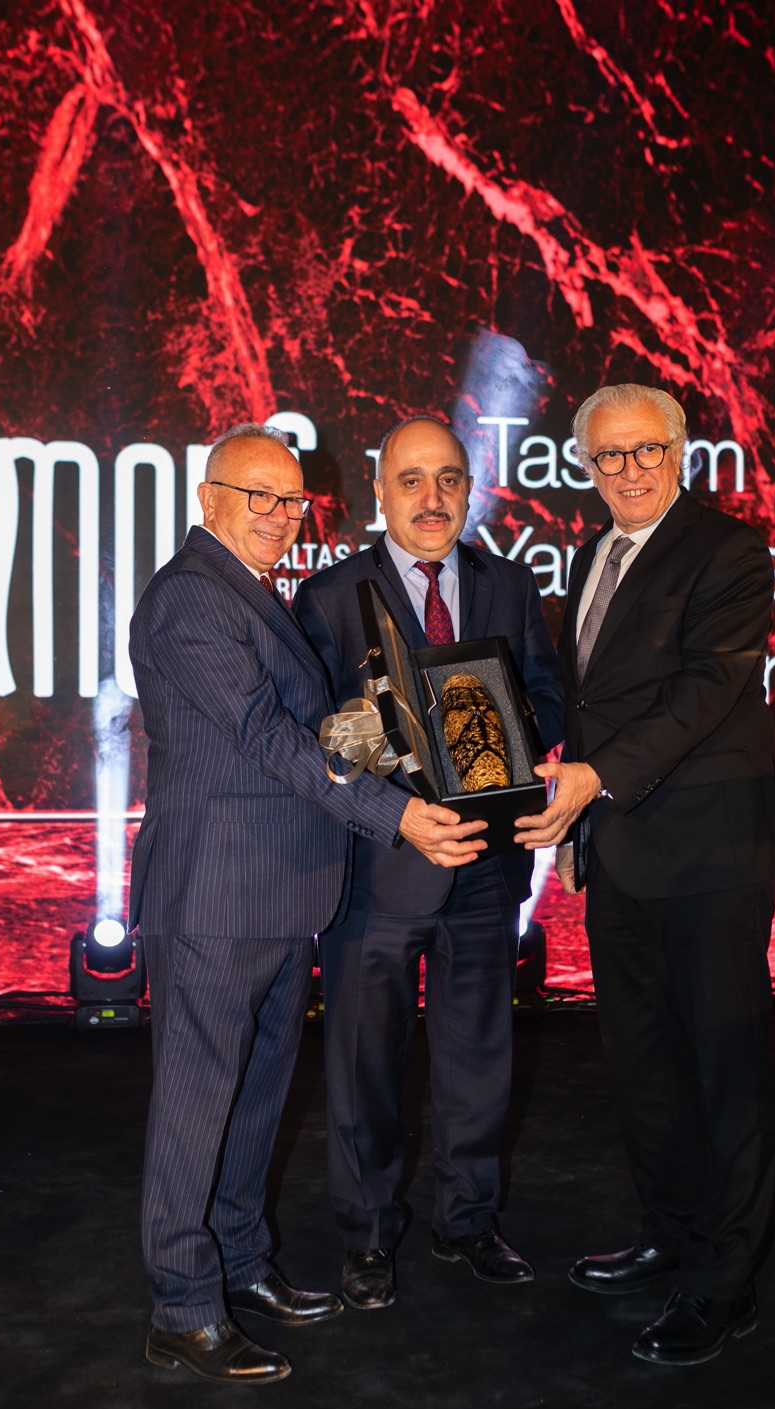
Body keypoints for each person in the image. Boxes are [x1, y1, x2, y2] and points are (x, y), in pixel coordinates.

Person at [128, 423, 485, 1385]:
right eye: (260, 496)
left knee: (255, 1101)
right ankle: (182, 1307)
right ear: (208, 499)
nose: (281, 515)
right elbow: (263, 735)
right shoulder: (190, 596)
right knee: (197, 1107)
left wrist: (388, 733)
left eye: (291, 500)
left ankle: (242, 1264)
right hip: (215, 896)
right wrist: (396, 812)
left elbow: (304, 734)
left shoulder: (252, 592)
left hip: (283, 895)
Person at [515, 383, 775, 1366]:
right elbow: (594, 700)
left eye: (646, 450)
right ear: (585, 466)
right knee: (643, 1062)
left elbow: (708, 689)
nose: (628, 470)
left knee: (722, 1068)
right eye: (609, 455)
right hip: (621, 848)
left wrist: (594, 777)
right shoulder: (591, 553)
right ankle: (670, 1234)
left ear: (679, 452)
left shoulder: (727, 551)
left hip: (709, 853)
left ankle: (724, 1282)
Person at [294, 415, 563, 1309]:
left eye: (448, 478)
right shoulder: (330, 596)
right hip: (378, 869)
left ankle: (467, 1220)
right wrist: (384, 760)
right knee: (364, 1067)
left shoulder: (509, 584)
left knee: (479, 1061)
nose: (432, 497)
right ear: (380, 493)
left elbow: (547, 694)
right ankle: (368, 1234)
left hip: (486, 865)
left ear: (469, 490)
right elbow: (313, 738)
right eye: (411, 479)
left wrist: (521, 740)